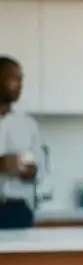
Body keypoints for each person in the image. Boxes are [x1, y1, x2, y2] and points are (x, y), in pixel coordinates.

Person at [0, 56, 45, 229]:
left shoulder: (28, 125)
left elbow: (41, 172)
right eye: (13, 78)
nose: (19, 84)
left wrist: (30, 171)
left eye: (21, 79)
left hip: (18, 211)